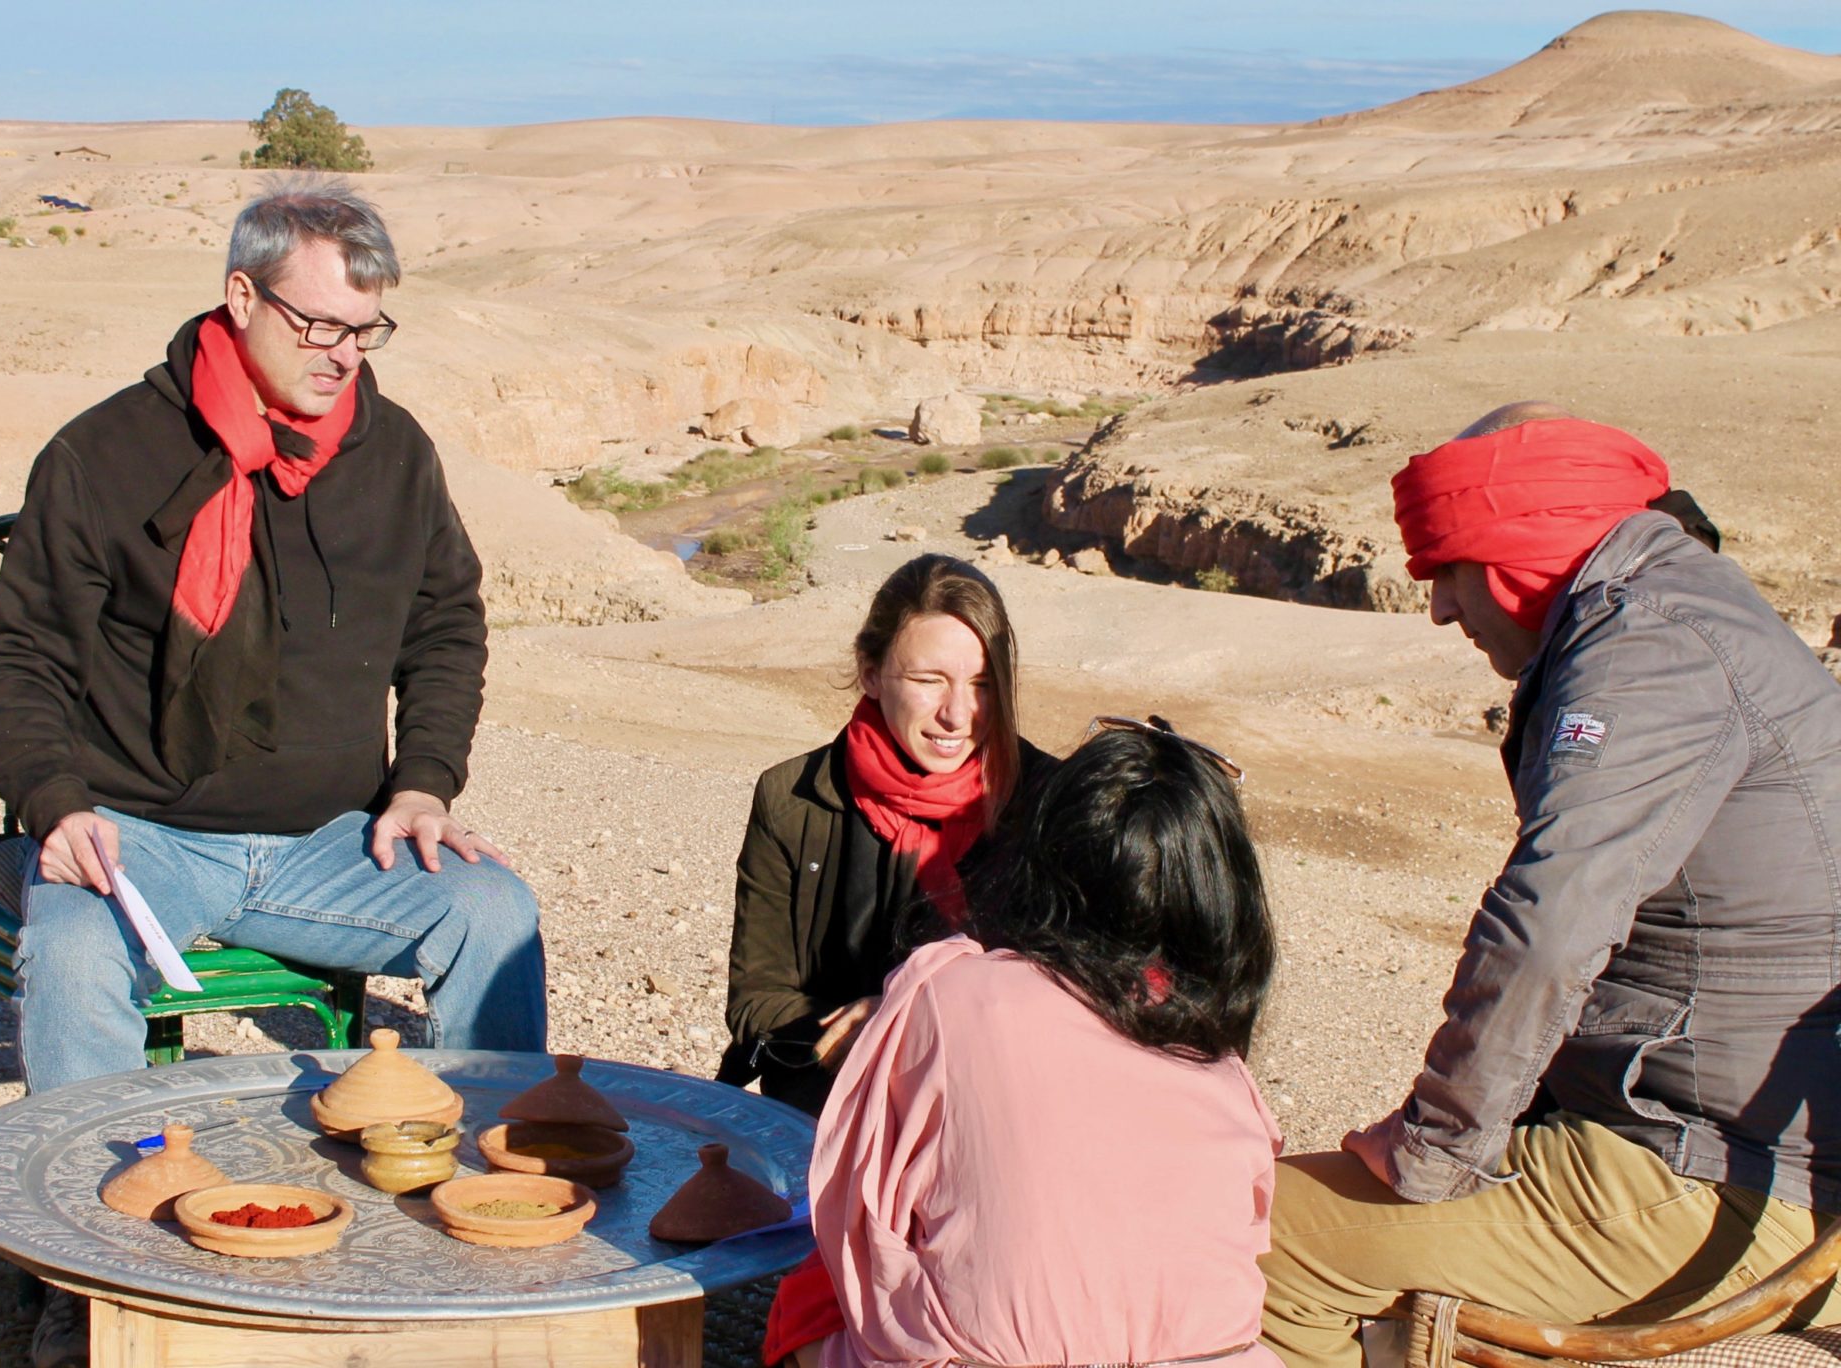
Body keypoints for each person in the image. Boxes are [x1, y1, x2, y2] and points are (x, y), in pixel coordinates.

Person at [0, 180, 547, 1366]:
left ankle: (480, 1214)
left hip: (333, 839)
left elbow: (446, 623)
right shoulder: (106, 452)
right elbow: (22, 653)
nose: (344, 355)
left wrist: (423, 782)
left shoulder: (392, 454)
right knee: (73, 952)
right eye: (319, 324)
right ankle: (93, 1277)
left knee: (493, 910)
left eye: (366, 330)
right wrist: (54, 804)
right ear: (241, 297)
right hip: (140, 833)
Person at [1259, 404, 1841, 1368]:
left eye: (1447, 569)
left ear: (1514, 555)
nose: (1440, 609)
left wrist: (1439, 1144)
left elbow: (1549, 923)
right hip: (1702, 1137)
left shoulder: (1650, 645)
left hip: (1712, 1175)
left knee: (1249, 1241)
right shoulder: (1682, 604)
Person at [773, 716, 1282, 1368]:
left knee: (811, 1297)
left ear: (1048, 852)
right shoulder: (1220, 1057)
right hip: (1221, 1356)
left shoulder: (949, 990)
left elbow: (856, 1217)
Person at [718, 553, 1054, 1116]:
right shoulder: (792, 800)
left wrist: (906, 1021)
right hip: (831, 1113)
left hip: (996, 1119)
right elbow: (756, 998)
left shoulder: (1052, 804)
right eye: (928, 681)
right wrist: (871, 1042)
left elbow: (1082, 996)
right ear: (870, 672)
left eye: (982, 684)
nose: (958, 714)